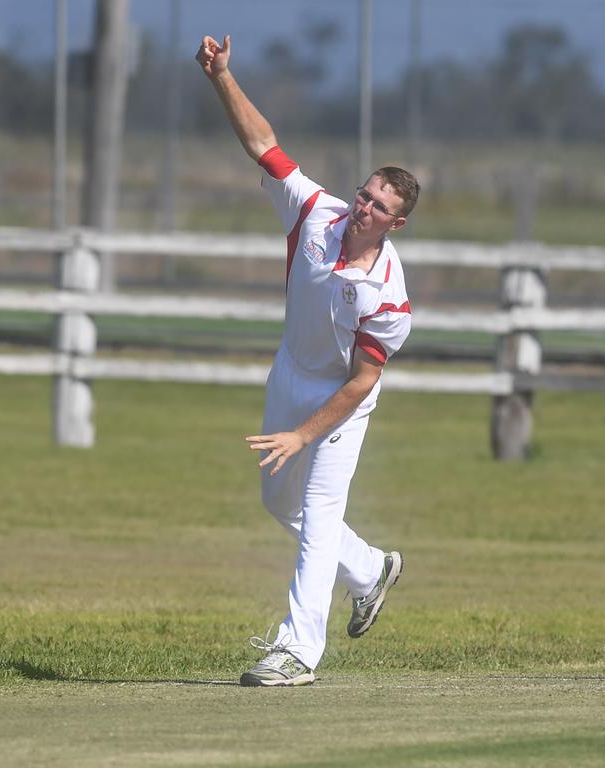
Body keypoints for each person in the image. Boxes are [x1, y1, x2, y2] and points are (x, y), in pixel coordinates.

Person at [197, 35, 419, 687]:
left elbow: (362, 381)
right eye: (365, 193)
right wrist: (222, 78)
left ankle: (297, 652)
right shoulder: (318, 214)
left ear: (396, 224)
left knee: (319, 517)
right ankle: (373, 569)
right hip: (290, 375)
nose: (364, 207)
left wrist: (303, 434)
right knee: (279, 505)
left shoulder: (389, 298)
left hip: (341, 403)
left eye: (380, 206)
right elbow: (264, 146)